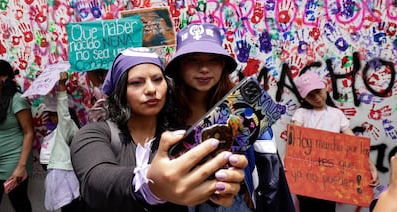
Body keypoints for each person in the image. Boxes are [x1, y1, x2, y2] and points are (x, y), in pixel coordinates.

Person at [70, 47, 248, 212]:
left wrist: (216, 187)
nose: (151, 89)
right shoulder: (93, 134)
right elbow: (95, 183)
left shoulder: (182, 138)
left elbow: (196, 187)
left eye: (157, 80)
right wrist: (149, 184)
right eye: (137, 83)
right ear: (121, 91)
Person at [165, 23, 295, 212]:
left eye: (213, 60)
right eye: (193, 60)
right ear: (179, 67)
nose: (204, 69)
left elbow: (272, 176)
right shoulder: (163, 117)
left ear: (223, 65)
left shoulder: (246, 113)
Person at [290, 70, 379, 212]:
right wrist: (285, 163)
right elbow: (294, 140)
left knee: (327, 208)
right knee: (307, 207)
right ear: (304, 98)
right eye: (311, 96)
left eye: (319, 92)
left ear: (325, 87)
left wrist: (370, 167)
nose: (317, 98)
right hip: (306, 176)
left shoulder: (337, 114)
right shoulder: (301, 114)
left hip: (330, 177)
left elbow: (353, 143)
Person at [0, 59, 34, 212]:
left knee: (20, 204)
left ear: (4, 77)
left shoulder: (17, 100)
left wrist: (21, 167)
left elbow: (29, 132)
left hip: (13, 163)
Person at [39, 72, 82, 212]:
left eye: (54, 115)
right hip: (56, 172)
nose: (51, 118)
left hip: (65, 174)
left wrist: (62, 85)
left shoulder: (66, 126)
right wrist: (44, 80)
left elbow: (62, 110)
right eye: (50, 115)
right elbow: (48, 103)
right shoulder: (53, 130)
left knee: (72, 208)